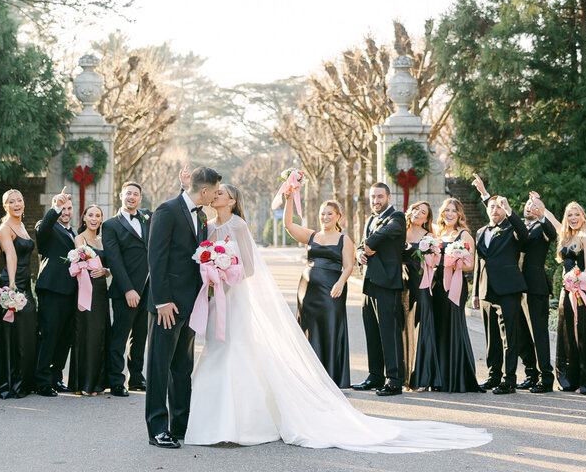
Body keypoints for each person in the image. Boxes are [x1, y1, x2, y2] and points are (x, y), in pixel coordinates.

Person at [183, 181, 491, 453]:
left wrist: (226, 270)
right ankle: (212, 420)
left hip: (337, 289)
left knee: (247, 347)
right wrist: (213, 270)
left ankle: (386, 378)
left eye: (220, 191)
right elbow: (288, 227)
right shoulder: (208, 225)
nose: (215, 194)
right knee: (225, 348)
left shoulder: (388, 219)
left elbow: (249, 267)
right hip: (273, 292)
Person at [145, 166, 218, 449]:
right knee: (159, 368)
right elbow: (156, 257)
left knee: (181, 368)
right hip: (167, 305)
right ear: (203, 190)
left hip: (190, 305)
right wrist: (162, 301)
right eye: (213, 191)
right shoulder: (166, 211)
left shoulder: (199, 216)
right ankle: (157, 429)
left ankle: (180, 425)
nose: (214, 196)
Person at [283, 197, 353, 388]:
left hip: (332, 291)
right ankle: (309, 376)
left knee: (330, 327)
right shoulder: (311, 236)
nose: (325, 217)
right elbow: (288, 224)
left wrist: (340, 283)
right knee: (308, 330)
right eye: (323, 213)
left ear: (338, 216)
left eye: (330, 213)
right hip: (307, 292)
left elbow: (348, 266)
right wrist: (289, 198)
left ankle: (330, 377)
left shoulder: (344, 239)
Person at [471, 182, 529, 395]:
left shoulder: (511, 228)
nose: (495, 210)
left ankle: (509, 379)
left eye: (499, 206)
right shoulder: (480, 231)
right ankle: (493, 375)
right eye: (491, 206)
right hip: (486, 290)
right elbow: (479, 263)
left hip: (507, 290)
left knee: (509, 338)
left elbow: (525, 235)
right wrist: (476, 292)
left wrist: (510, 211)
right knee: (491, 337)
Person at [350, 182, 406, 397]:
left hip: (388, 284)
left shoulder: (397, 218)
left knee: (389, 334)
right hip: (369, 284)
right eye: (373, 197)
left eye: (380, 196)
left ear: (389, 198)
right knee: (372, 332)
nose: (375, 200)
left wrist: (367, 245)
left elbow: (379, 237)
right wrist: (358, 254)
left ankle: (394, 380)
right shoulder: (371, 219)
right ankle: (375, 376)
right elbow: (360, 245)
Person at [0, 189, 38, 399]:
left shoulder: (22, 226)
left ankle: (25, 381)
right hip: (12, 284)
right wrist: (11, 287)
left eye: (19, 200)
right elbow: (11, 256)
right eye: (12, 201)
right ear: (5, 206)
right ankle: (9, 382)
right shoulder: (4, 228)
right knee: (12, 336)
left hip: (25, 283)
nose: (17, 204)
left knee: (27, 333)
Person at [102, 182, 151, 396]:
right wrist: (128, 289)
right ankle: (116, 381)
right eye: (128, 193)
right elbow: (114, 260)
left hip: (148, 288)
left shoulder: (148, 217)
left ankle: (137, 378)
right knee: (120, 337)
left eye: (136, 194)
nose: (131, 197)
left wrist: (183, 186)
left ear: (140, 198)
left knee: (140, 336)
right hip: (126, 290)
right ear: (121, 195)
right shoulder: (111, 225)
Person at [554, 202, 586, 395]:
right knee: (567, 334)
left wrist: (578, 282)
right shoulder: (567, 237)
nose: (573, 218)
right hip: (566, 292)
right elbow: (551, 220)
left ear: (583, 216)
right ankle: (571, 379)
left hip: (581, 290)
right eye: (569, 215)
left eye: (576, 214)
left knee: (584, 334)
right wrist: (539, 207)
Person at [430, 197, 478, 393]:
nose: (449, 214)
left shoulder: (464, 235)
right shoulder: (438, 234)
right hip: (437, 285)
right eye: (446, 210)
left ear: (459, 214)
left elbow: (471, 264)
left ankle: (458, 378)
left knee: (454, 326)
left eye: (453, 211)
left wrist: (454, 261)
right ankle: (440, 377)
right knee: (439, 326)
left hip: (456, 285)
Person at [33, 186, 77, 397]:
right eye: (63, 208)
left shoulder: (74, 233)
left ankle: (56, 377)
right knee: (49, 335)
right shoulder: (46, 226)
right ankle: (41, 381)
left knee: (64, 337)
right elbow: (42, 233)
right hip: (51, 289)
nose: (66, 212)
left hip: (70, 291)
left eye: (69, 208)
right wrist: (55, 208)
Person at [515, 191, 556, 393]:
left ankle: (546, 378)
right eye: (527, 204)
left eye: (534, 205)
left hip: (535, 286)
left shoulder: (543, 227)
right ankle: (531, 374)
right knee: (522, 334)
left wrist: (542, 215)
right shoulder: (519, 226)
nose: (529, 207)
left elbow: (555, 234)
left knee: (538, 333)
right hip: (515, 286)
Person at [69, 204, 110, 395]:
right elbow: (82, 263)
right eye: (91, 215)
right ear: (84, 218)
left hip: (101, 290)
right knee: (87, 333)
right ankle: (85, 383)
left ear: (101, 219)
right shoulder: (80, 238)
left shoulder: (104, 240)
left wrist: (106, 270)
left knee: (101, 333)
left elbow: (110, 266)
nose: (94, 218)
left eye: (98, 216)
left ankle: (99, 382)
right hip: (86, 288)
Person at [406, 201, 440, 390]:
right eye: (416, 209)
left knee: (421, 330)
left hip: (421, 285)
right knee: (404, 329)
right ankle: (402, 376)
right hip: (400, 285)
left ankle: (422, 377)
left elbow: (434, 262)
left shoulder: (428, 236)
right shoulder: (399, 231)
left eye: (423, 212)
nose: (418, 213)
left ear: (427, 219)